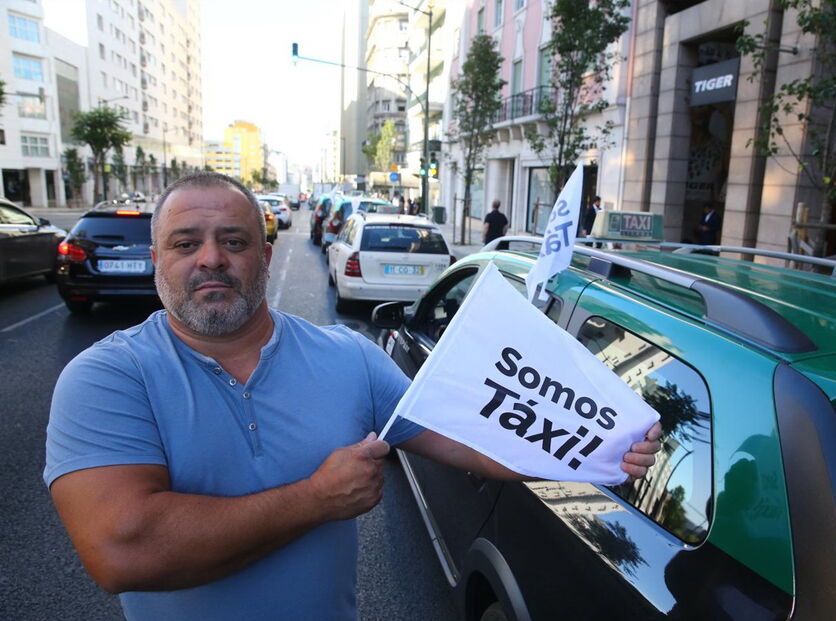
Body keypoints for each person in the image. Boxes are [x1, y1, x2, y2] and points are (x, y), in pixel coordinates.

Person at [44, 172, 662, 620]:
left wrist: (598, 447)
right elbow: (124, 551)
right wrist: (316, 498)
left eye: (234, 241)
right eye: (186, 244)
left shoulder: (350, 357)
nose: (212, 259)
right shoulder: (106, 377)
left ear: (266, 253)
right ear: (157, 259)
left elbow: (473, 440)